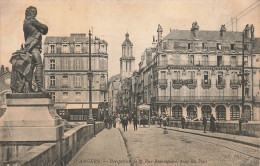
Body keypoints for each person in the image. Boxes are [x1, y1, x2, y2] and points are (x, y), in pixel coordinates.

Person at [23, 6, 48, 92]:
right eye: (33, 12)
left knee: (31, 67)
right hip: (33, 47)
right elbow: (45, 27)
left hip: (28, 47)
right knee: (39, 65)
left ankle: (28, 86)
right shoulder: (32, 20)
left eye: (35, 12)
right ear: (29, 12)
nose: (35, 13)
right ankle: (40, 86)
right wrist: (41, 30)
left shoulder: (25, 22)